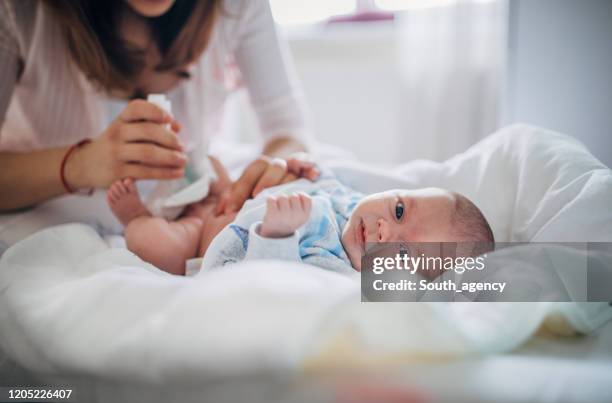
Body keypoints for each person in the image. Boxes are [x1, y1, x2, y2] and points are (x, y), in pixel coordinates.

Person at [0, 0, 316, 213]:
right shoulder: (18, 12)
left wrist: (276, 168)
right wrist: (79, 165)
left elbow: (288, 128)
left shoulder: (238, 7)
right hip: (45, 215)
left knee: (360, 223)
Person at [107, 163, 495, 275]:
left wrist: (276, 237)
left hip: (203, 236)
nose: (383, 229)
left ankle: (135, 215)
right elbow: (322, 178)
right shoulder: (352, 201)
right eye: (398, 210)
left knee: (157, 246)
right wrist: (302, 168)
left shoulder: (336, 269)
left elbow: (274, 286)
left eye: (402, 250)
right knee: (204, 164)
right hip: (232, 197)